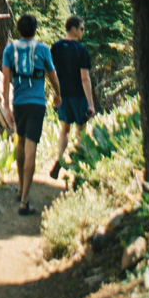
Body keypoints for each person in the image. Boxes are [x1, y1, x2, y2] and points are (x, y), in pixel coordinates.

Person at [1, 14, 61, 216]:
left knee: (20, 142)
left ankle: (19, 188)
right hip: (36, 104)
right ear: (35, 29)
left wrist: (6, 106)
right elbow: (52, 75)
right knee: (31, 148)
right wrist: (58, 95)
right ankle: (25, 201)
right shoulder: (42, 49)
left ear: (19, 29)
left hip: (18, 102)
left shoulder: (10, 49)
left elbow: (6, 78)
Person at [49, 15, 95, 179]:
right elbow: (85, 78)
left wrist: (55, 93)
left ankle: (59, 160)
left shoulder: (55, 47)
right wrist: (90, 103)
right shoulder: (81, 51)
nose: (83, 32)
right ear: (74, 29)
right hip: (79, 96)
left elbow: (51, 73)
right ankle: (80, 162)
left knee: (64, 130)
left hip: (63, 96)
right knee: (80, 130)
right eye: (81, 29)